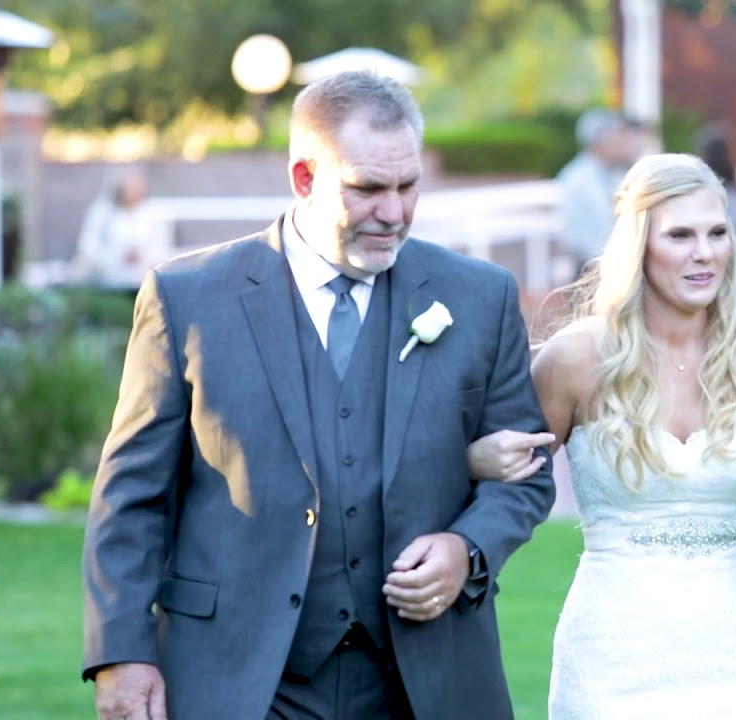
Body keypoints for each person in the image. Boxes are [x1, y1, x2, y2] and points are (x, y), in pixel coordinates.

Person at [81, 71, 556, 720]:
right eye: (367, 189)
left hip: (423, 680)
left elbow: (526, 473)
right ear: (304, 178)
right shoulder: (187, 296)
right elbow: (133, 496)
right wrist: (120, 655)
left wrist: (466, 550)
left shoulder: (479, 296)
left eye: (407, 186)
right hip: (240, 677)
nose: (393, 213)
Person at [467, 153, 736, 718]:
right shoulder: (576, 359)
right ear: (639, 247)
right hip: (612, 661)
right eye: (680, 235)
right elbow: (510, 477)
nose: (704, 252)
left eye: (717, 233)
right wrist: (474, 464)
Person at [554, 109, 644, 277]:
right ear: (600, 140)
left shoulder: (612, 173)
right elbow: (597, 242)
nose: (625, 141)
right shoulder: (580, 180)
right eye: (619, 134)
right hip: (591, 272)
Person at [71, 168, 175, 293]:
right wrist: (118, 256)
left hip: (144, 285)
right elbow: (88, 249)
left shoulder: (155, 213)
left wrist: (142, 257)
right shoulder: (102, 212)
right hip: (106, 285)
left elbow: (163, 251)